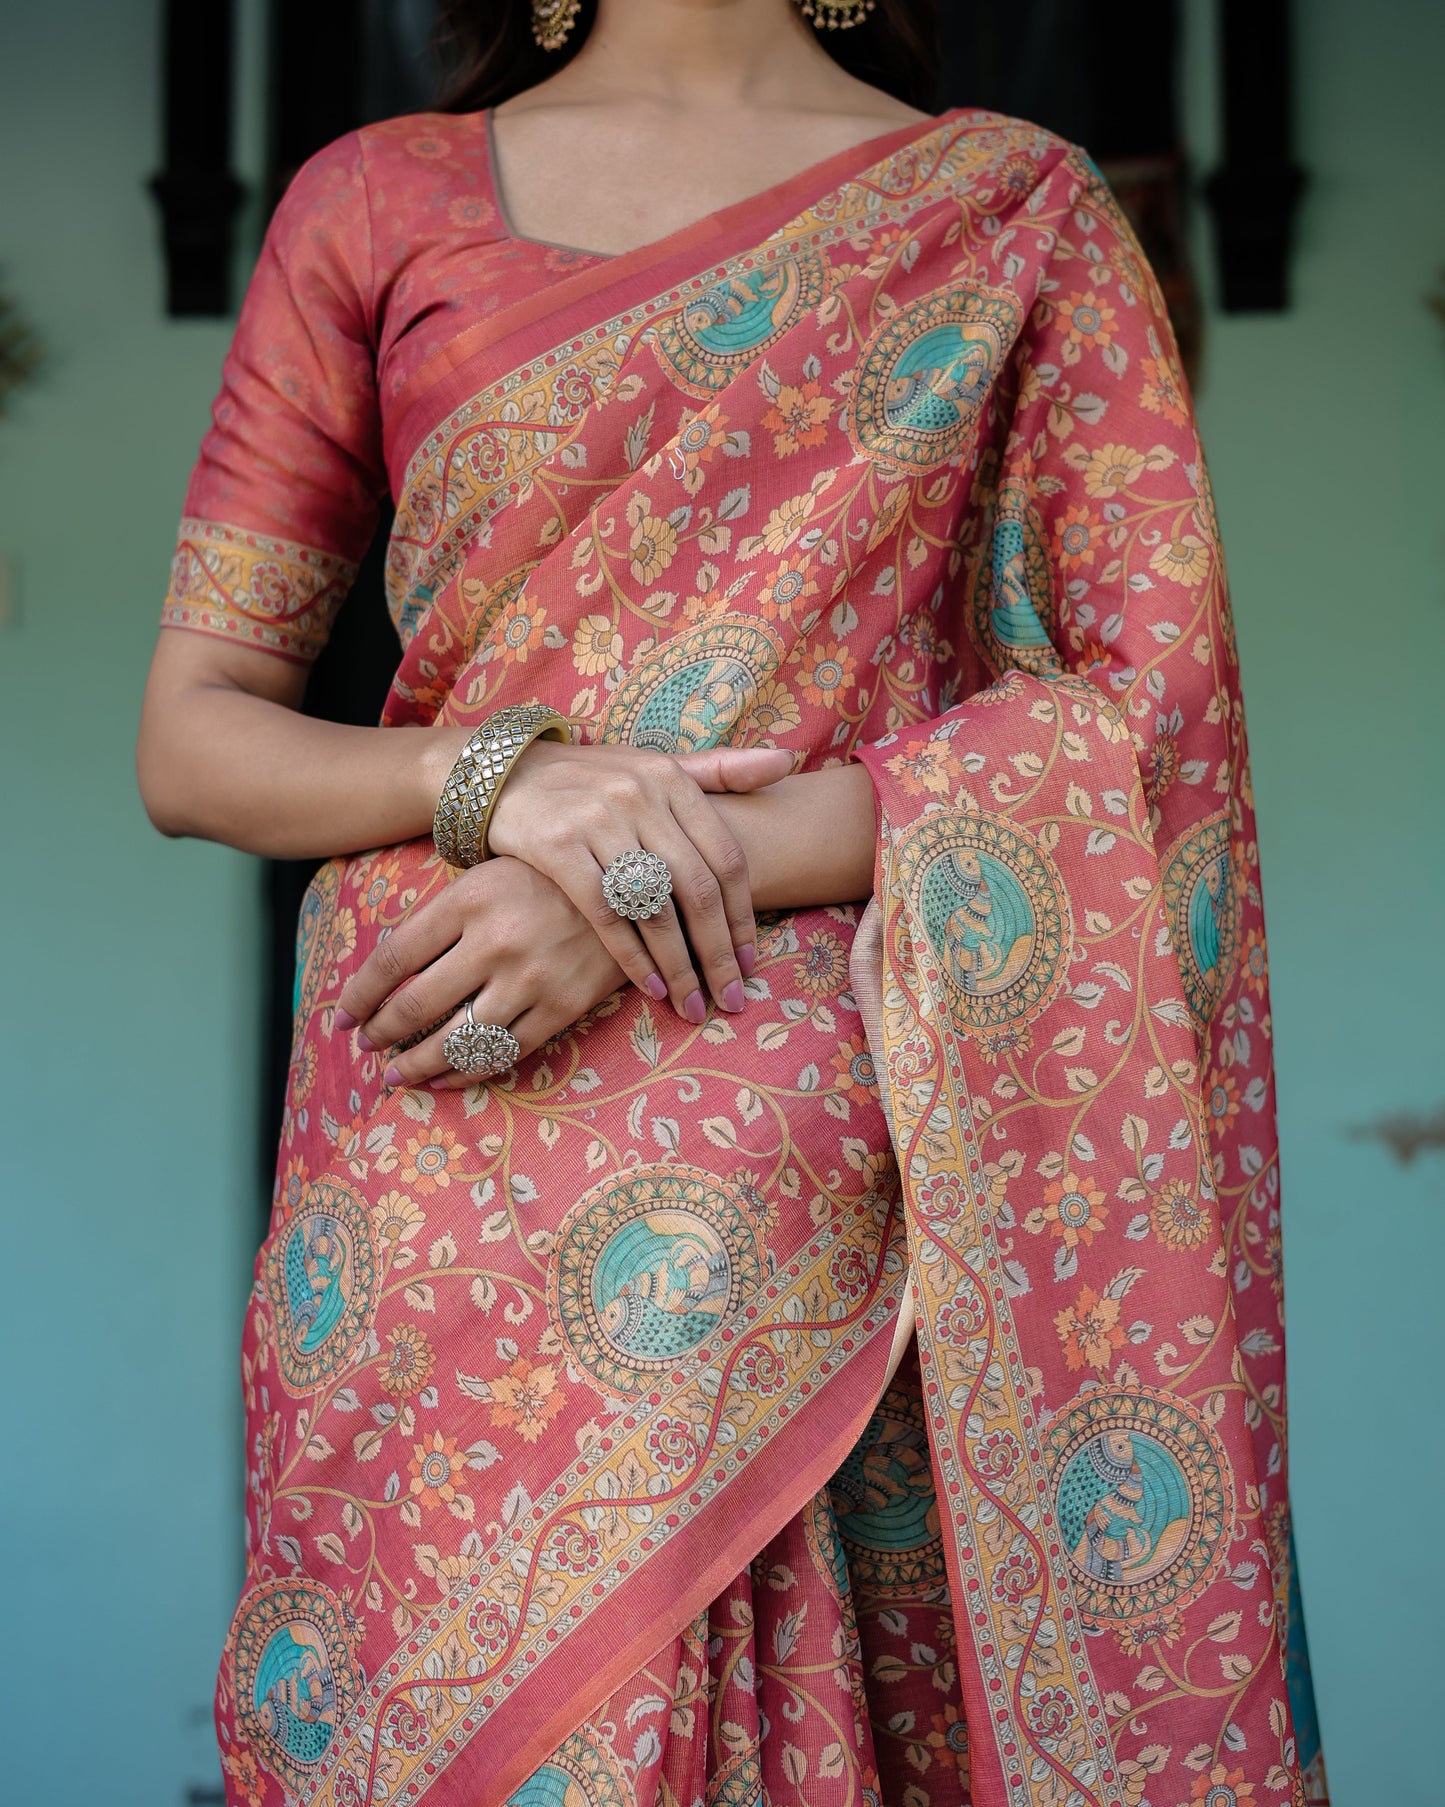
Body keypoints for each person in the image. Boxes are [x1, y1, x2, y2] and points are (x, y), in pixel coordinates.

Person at [136, 2, 1328, 1802]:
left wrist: (653, 873)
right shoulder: (373, 199)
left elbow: (1144, 727)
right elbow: (193, 737)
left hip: (834, 1155)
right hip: (443, 1152)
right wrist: (509, 781)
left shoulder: (1014, 212)